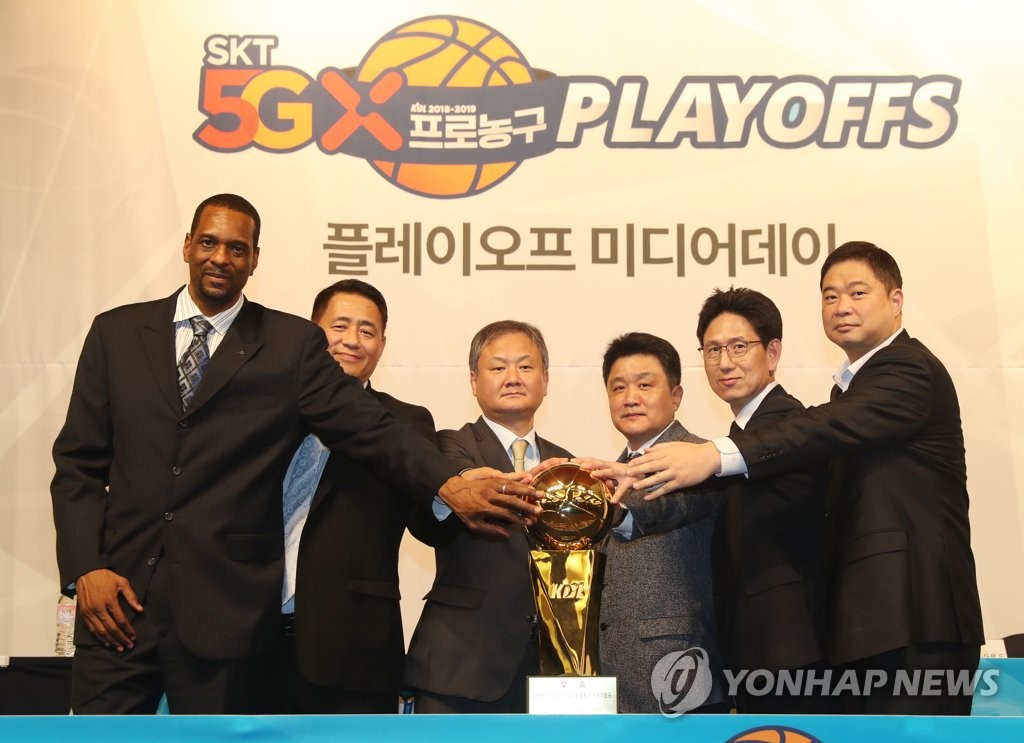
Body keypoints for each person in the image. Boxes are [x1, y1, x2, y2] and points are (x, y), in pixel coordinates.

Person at [50, 194, 539, 715]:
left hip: (221, 620)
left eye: (238, 248)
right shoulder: (116, 333)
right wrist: (87, 567)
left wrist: (449, 483)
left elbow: (371, 427)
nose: (221, 258)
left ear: (255, 259)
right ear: (188, 245)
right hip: (116, 604)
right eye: (210, 242)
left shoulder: (288, 343)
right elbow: (78, 464)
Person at [614, 242, 984, 714]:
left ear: (896, 300)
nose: (841, 307)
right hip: (870, 624)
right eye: (830, 296)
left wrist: (712, 454)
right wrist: (633, 484)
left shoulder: (908, 368)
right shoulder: (845, 392)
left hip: (917, 612)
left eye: (857, 292)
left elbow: (820, 428)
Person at [270, 279, 438, 713]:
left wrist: (463, 488)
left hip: (353, 645)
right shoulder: (265, 410)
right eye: (339, 326)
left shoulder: (403, 422)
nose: (352, 340)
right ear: (312, 333)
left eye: (367, 331)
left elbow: (431, 522)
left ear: (382, 345)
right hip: (248, 637)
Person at [404, 320, 572, 713]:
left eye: (526, 366)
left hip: (549, 674)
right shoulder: (447, 446)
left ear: (546, 380)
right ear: (473, 381)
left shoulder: (567, 465)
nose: (513, 377)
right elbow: (436, 508)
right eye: (498, 367)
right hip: (460, 666)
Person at [695, 288, 828, 713]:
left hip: (792, 650)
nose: (724, 362)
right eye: (712, 350)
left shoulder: (789, 424)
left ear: (772, 353)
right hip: (758, 651)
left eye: (739, 347)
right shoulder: (739, 436)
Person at [594, 332, 728, 713]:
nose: (630, 398)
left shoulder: (703, 459)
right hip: (612, 679)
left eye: (644, 385)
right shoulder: (608, 475)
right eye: (618, 387)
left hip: (680, 672)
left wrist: (615, 512)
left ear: (676, 396)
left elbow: (667, 509)